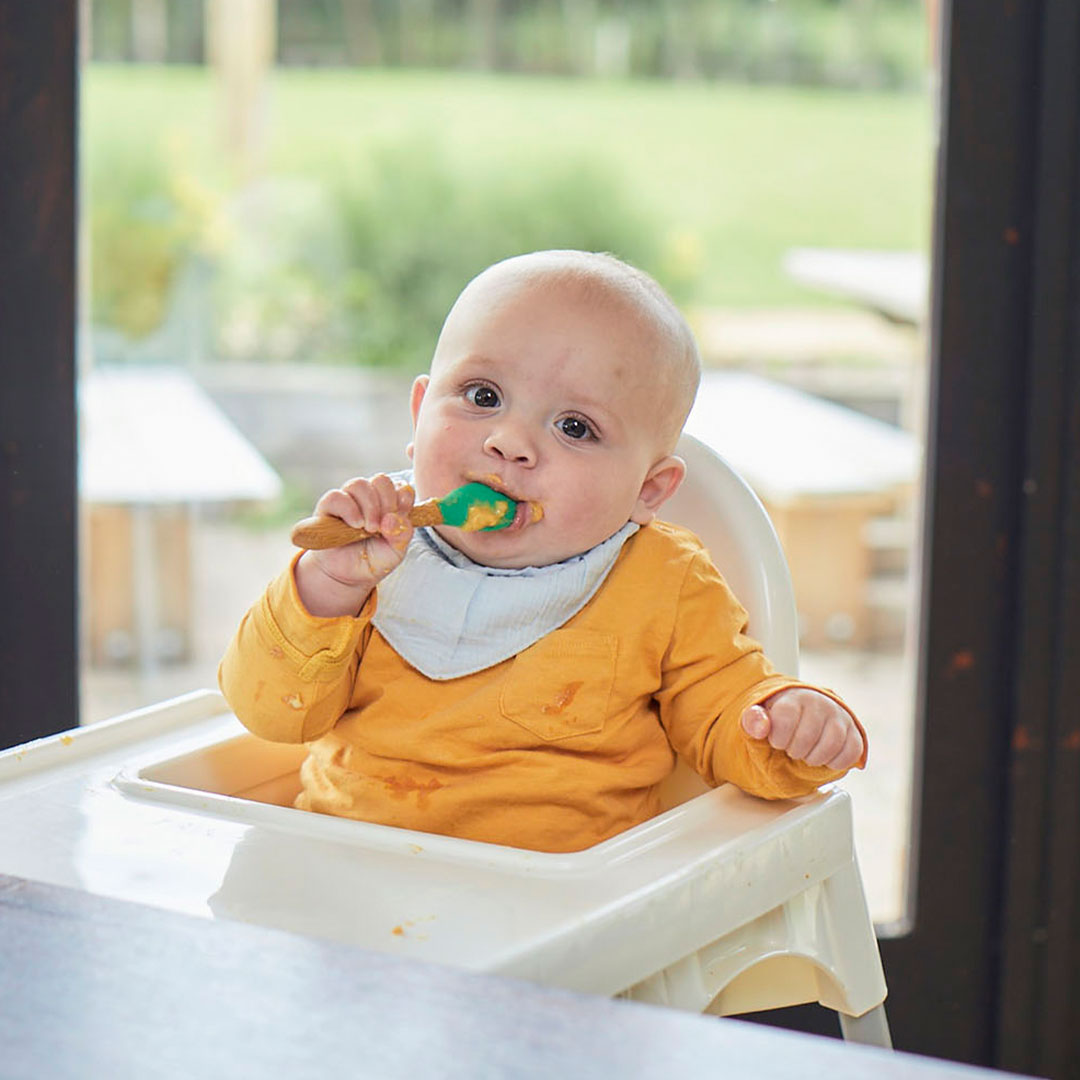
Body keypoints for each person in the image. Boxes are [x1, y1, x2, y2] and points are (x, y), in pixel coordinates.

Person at [219, 249, 866, 853]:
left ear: (648, 489)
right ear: (419, 414)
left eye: (575, 427)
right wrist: (326, 587)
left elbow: (724, 710)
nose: (509, 442)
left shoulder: (665, 582)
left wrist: (786, 726)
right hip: (347, 874)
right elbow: (267, 712)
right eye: (482, 397)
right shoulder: (371, 551)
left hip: (558, 914)